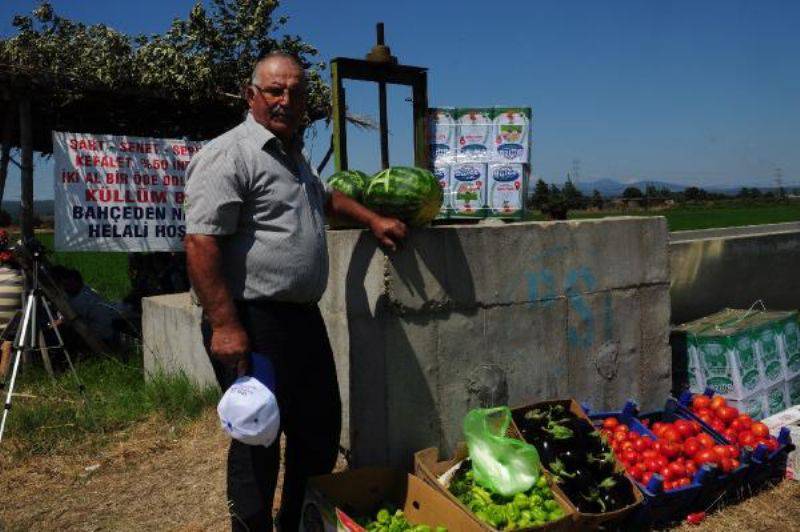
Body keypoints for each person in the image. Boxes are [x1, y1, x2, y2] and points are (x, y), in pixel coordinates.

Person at [184, 51, 407, 531]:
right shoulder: (230, 153)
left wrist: (372, 219)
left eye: (296, 92)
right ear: (252, 96)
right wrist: (224, 324)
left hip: (300, 319)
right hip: (251, 319)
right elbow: (201, 242)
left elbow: (325, 197)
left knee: (318, 432)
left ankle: (298, 524)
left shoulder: (291, 154)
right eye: (275, 91)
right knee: (258, 434)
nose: (286, 100)